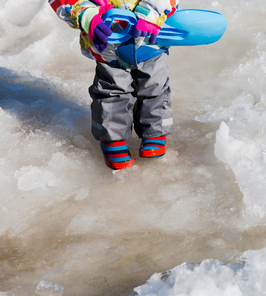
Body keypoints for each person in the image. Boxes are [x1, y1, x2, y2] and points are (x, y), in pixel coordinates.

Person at [49, 0, 179, 169]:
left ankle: (155, 131)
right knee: (112, 90)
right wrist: (86, 14)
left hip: (150, 41)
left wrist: (151, 11)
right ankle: (113, 138)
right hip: (107, 41)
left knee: (154, 85)